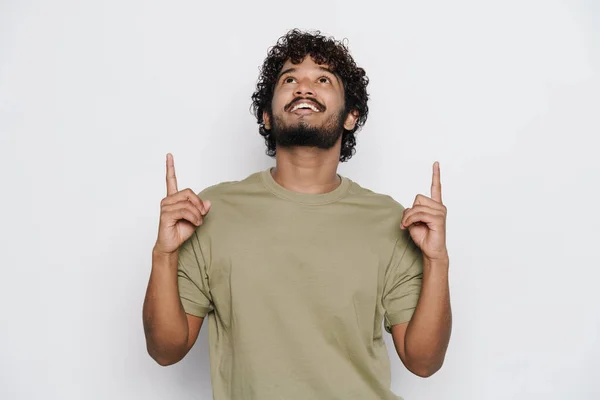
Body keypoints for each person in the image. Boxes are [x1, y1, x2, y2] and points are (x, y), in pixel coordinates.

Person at [142, 29, 452, 400]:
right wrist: (164, 254)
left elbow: (423, 362)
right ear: (267, 116)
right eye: (289, 79)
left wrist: (437, 261)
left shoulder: (390, 219)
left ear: (351, 116)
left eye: (323, 79)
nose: (304, 87)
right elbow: (165, 351)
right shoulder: (211, 210)